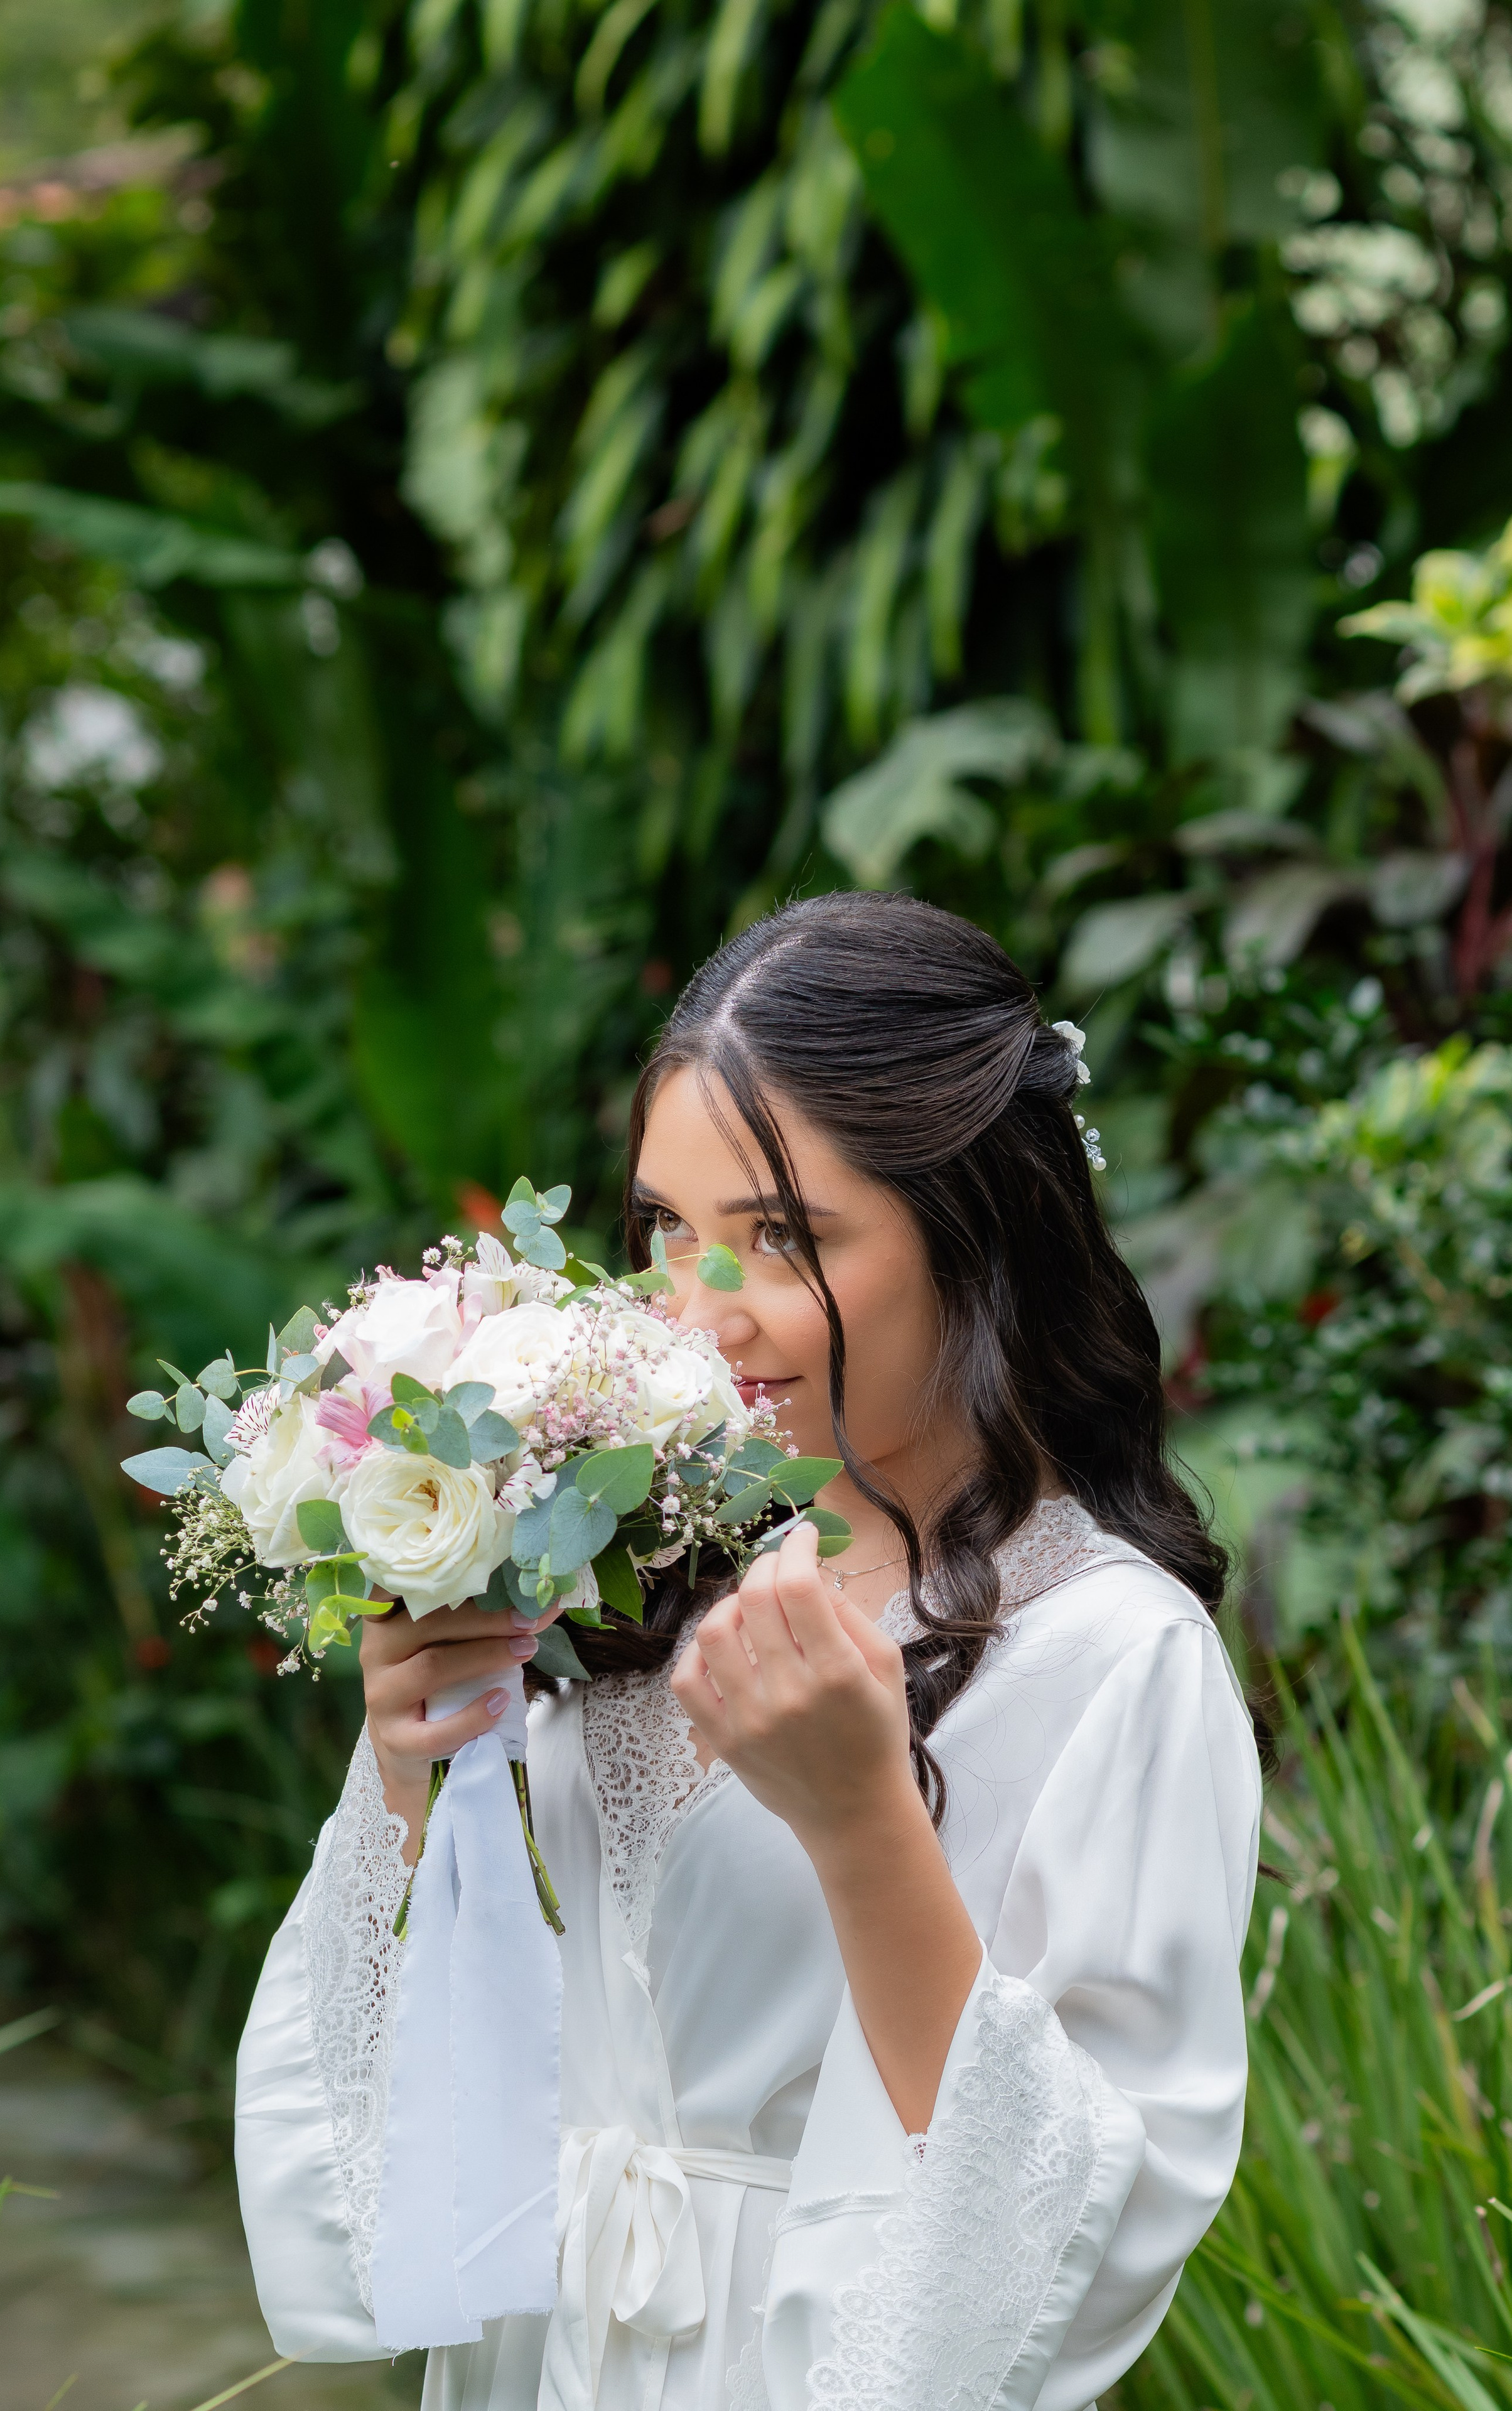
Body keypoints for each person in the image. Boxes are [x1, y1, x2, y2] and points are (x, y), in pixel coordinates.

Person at [235, 893, 1262, 2411]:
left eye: (783, 1237)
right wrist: (411, 1772)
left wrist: (860, 1822)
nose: (698, 1314)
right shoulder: (612, 1563)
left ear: (975, 1234)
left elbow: (1079, 2223)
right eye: (665, 1231)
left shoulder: (1112, 1656)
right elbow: (413, 2105)